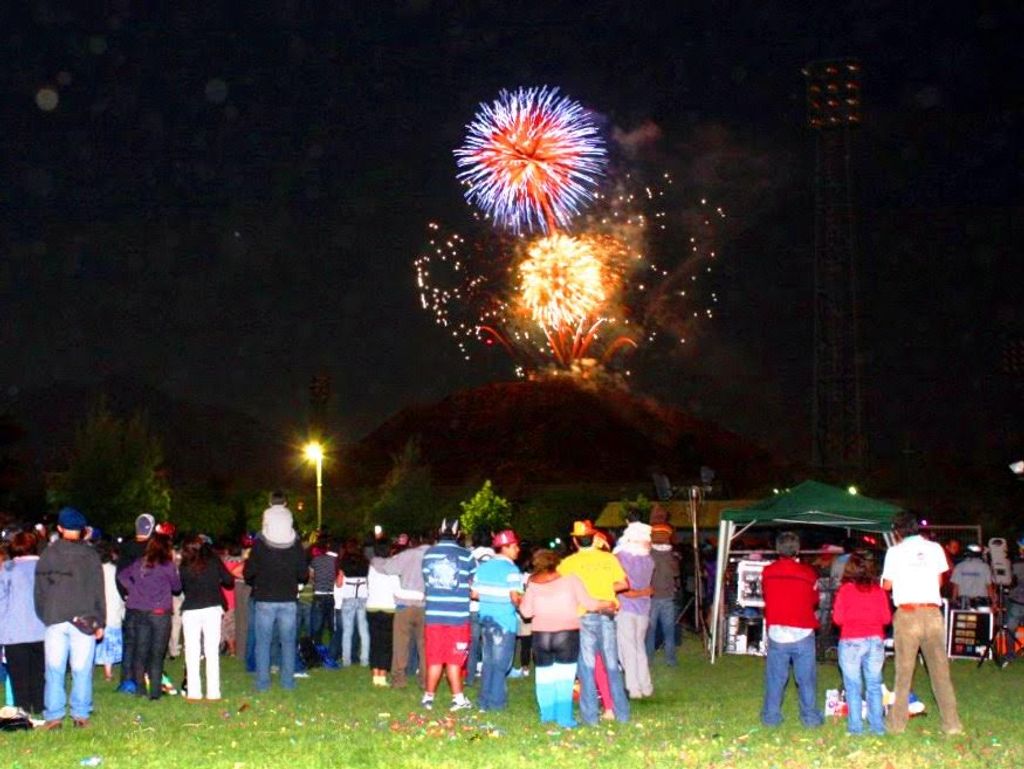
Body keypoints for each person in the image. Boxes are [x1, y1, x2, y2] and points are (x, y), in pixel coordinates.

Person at [881, 511, 962, 735]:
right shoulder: (935, 548)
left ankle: (896, 725)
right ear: (918, 528)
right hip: (932, 613)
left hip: (907, 615)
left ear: (897, 531)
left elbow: (887, 585)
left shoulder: (894, 552)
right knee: (940, 671)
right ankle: (952, 724)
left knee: (904, 672)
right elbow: (939, 580)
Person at [519, 549, 615, 728]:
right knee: (564, 678)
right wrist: (607, 603)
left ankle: (547, 716)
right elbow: (589, 604)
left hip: (541, 636)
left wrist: (517, 601)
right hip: (566, 635)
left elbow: (526, 612)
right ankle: (564, 719)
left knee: (544, 677)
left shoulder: (533, 585)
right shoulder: (571, 580)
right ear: (557, 562)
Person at [34, 507, 106, 729]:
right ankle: (81, 715)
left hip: (55, 617)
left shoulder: (48, 554)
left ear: (60, 528)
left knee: (54, 669)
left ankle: (54, 716)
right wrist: (100, 621)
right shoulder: (91, 556)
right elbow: (98, 590)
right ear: (82, 530)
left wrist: (45, 614)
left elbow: (39, 590)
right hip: (84, 619)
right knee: (82, 669)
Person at [557, 520, 630, 726]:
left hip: (584, 616)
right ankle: (621, 713)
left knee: (586, 667)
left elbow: (562, 590)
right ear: (593, 537)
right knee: (611, 665)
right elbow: (624, 583)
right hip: (607, 614)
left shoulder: (568, 563)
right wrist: (606, 588)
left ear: (575, 541)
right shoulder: (609, 559)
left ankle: (590, 718)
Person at [243, 492, 308, 692]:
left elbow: (249, 573)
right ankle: (288, 683)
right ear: (287, 506)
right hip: (288, 598)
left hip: (264, 598)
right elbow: (303, 574)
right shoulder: (295, 542)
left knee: (263, 642)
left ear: (269, 505)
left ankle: (263, 683)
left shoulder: (260, 543)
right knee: (288, 642)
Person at [760, 531, 823, 728]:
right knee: (806, 679)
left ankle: (771, 717)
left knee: (775, 678)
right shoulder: (808, 573)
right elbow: (814, 600)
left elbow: (766, 595)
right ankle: (810, 718)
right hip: (802, 631)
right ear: (798, 549)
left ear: (777, 549)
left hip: (777, 631)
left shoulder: (768, 572)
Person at [832, 551, 891, 735]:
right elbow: (887, 618)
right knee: (874, 684)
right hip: (875, 640)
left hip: (851, 640)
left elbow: (838, 619)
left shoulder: (845, 590)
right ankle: (877, 727)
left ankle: (856, 728)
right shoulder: (879, 591)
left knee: (853, 686)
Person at [420, 519, 475, 711]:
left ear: (439, 532)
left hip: (434, 616)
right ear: (458, 534)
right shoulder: (467, 556)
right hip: (458, 617)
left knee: (434, 658)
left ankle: (428, 697)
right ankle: (458, 699)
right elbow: (472, 584)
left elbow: (428, 581)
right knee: (454, 659)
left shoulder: (428, 555)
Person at [117, 533, 181, 700]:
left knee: (141, 651)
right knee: (157, 653)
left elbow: (122, 575)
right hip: (160, 613)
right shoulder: (167, 566)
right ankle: (154, 692)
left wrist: (133, 589)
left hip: (140, 611)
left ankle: (140, 689)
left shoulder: (140, 563)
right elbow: (177, 587)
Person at [472, 529, 524, 711]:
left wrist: (491, 596)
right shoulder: (511, 570)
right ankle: (496, 703)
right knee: (502, 664)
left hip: (486, 619)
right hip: (504, 622)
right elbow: (515, 597)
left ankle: (484, 700)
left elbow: (475, 593)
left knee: (489, 662)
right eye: (515, 546)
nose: (518, 549)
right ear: (506, 548)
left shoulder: (484, 567)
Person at [179, 535, 234, 701]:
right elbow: (229, 580)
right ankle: (213, 692)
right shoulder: (213, 560)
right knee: (211, 651)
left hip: (191, 609)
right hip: (211, 607)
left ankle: (194, 692)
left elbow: (182, 587)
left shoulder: (184, 565)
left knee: (192, 650)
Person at [372, 535, 429, 690]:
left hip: (405, 605)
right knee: (424, 646)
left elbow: (387, 568)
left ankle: (399, 680)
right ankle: (425, 680)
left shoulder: (408, 555)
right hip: (426, 606)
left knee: (400, 645)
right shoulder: (435, 556)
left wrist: (374, 559)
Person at [0, 531, 46, 716]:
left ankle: (23, 708)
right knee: (39, 672)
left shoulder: (8, 570)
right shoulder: (44, 568)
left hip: (14, 630)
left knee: (18, 675)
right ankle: (40, 704)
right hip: (42, 629)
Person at [116, 513, 155, 694]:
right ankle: (145, 676)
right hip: (150, 601)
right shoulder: (153, 548)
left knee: (130, 641)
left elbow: (120, 574)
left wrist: (127, 593)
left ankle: (127, 679)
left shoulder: (127, 547)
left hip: (132, 601)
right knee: (148, 640)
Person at [615, 521, 655, 699]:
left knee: (627, 649)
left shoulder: (621, 557)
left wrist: (635, 593)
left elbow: (624, 589)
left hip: (625, 608)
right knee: (639, 648)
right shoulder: (649, 560)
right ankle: (646, 686)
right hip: (643, 609)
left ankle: (633, 688)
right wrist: (644, 592)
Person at [366, 540, 401, 686]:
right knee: (386, 643)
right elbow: (397, 590)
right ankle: (382, 676)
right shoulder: (392, 569)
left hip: (372, 607)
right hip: (388, 608)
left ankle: (375, 675)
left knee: (375, 642)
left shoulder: (371, 567)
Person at [646, 522, 680, 666]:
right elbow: (676, 573)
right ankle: (671, 660)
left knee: (650, 631)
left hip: (652, 597)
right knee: (669, 630)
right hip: (667, 597)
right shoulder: (672, 556)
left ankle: (648, 660)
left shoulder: (648, 555)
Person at [335, 538, 370, 667]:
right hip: (362, 598)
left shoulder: (344, 563)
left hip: (348, 599)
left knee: (347, 631)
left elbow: (339, 584)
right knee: (364, 630)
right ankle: (365, 659)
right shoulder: (365, 563)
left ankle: (346, 660)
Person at [94, 541, 125, 683]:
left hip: (97, 611)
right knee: (110, 641)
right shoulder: (115, 570)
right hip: (113, 609)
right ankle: (108, 671)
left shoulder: (92, 571)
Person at [308, 538, 338, 647]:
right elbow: (336, 576)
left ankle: (317, 648)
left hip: (318, 595)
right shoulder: (333, 560)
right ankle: (333, 650)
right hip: (331, 595)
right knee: (331, 626)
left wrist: (315, 582)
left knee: (317, 626)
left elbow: (310, 576)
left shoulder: (315, 561)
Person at [950, 543, 996, 608]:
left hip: (964, 602)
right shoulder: (985, 567)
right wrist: (993, 602)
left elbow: (956, 586)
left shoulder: (959, 566)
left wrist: (953, 600)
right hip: (981, 602)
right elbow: (989, 586)